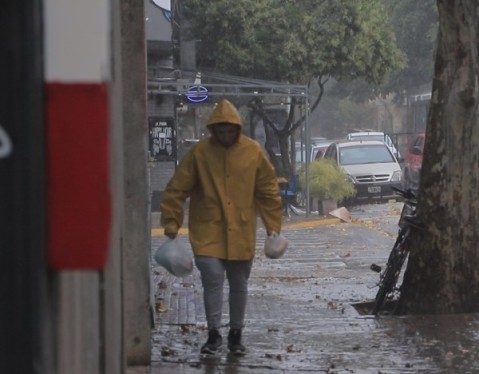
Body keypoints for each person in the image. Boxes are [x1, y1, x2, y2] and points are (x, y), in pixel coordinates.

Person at [160, 99, 283, 355]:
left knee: (239, 283)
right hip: (207, 231)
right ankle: (214, 333)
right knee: (212, 280)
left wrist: (274, 227)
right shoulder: (200, 154)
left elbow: (268, 191)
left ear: (237, 129)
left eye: (230, 131)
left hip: (241, 229)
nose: (226, 136)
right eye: (221, 131)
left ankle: (236, 334)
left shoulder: (253, 152)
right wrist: (171, 223)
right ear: (214, 130)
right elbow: (176, 189)